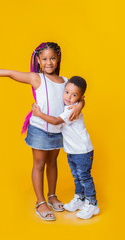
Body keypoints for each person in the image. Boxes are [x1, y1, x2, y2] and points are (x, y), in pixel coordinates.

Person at [0, 42, 84, 221]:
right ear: (38, 60)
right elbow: (11, 74)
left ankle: (52, 196)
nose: (49, 62)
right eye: (44, 59)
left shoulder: (66, 81)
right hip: (39, 129)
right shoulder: (36, 78)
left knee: (52, 162)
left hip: (58, 130)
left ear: (58, 58)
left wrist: (81, 105)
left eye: (52, 58)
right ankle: (41, 202)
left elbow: (79, 96)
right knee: (39, 164)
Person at [32, 76, 100, 219]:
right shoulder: (70, 105)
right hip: (73, 151)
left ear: (80, 97)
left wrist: (39, 114)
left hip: (82, 151)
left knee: (84, 177)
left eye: (74, 95)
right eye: (67, 92)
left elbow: (56, 121)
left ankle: (92, 204)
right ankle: (80, 199)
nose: (69, 97)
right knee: (77, 177)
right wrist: (81, 103)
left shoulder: (70, 109)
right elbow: (79, 99)